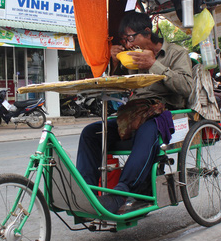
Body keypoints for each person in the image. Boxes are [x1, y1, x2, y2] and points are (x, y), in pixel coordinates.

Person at [76, 11, 194, 214]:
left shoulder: (176, 53)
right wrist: (114, 62)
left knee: (148, 130)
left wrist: (154, 65)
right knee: (91, 133)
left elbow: (186, 87)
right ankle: (85, 192)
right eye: (125, 40)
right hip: (134, 114)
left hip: (165, 115)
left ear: (147, 32)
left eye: (131, 38)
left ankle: (120, 194)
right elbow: (116, 85)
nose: (129, 45)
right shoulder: (132, 59)